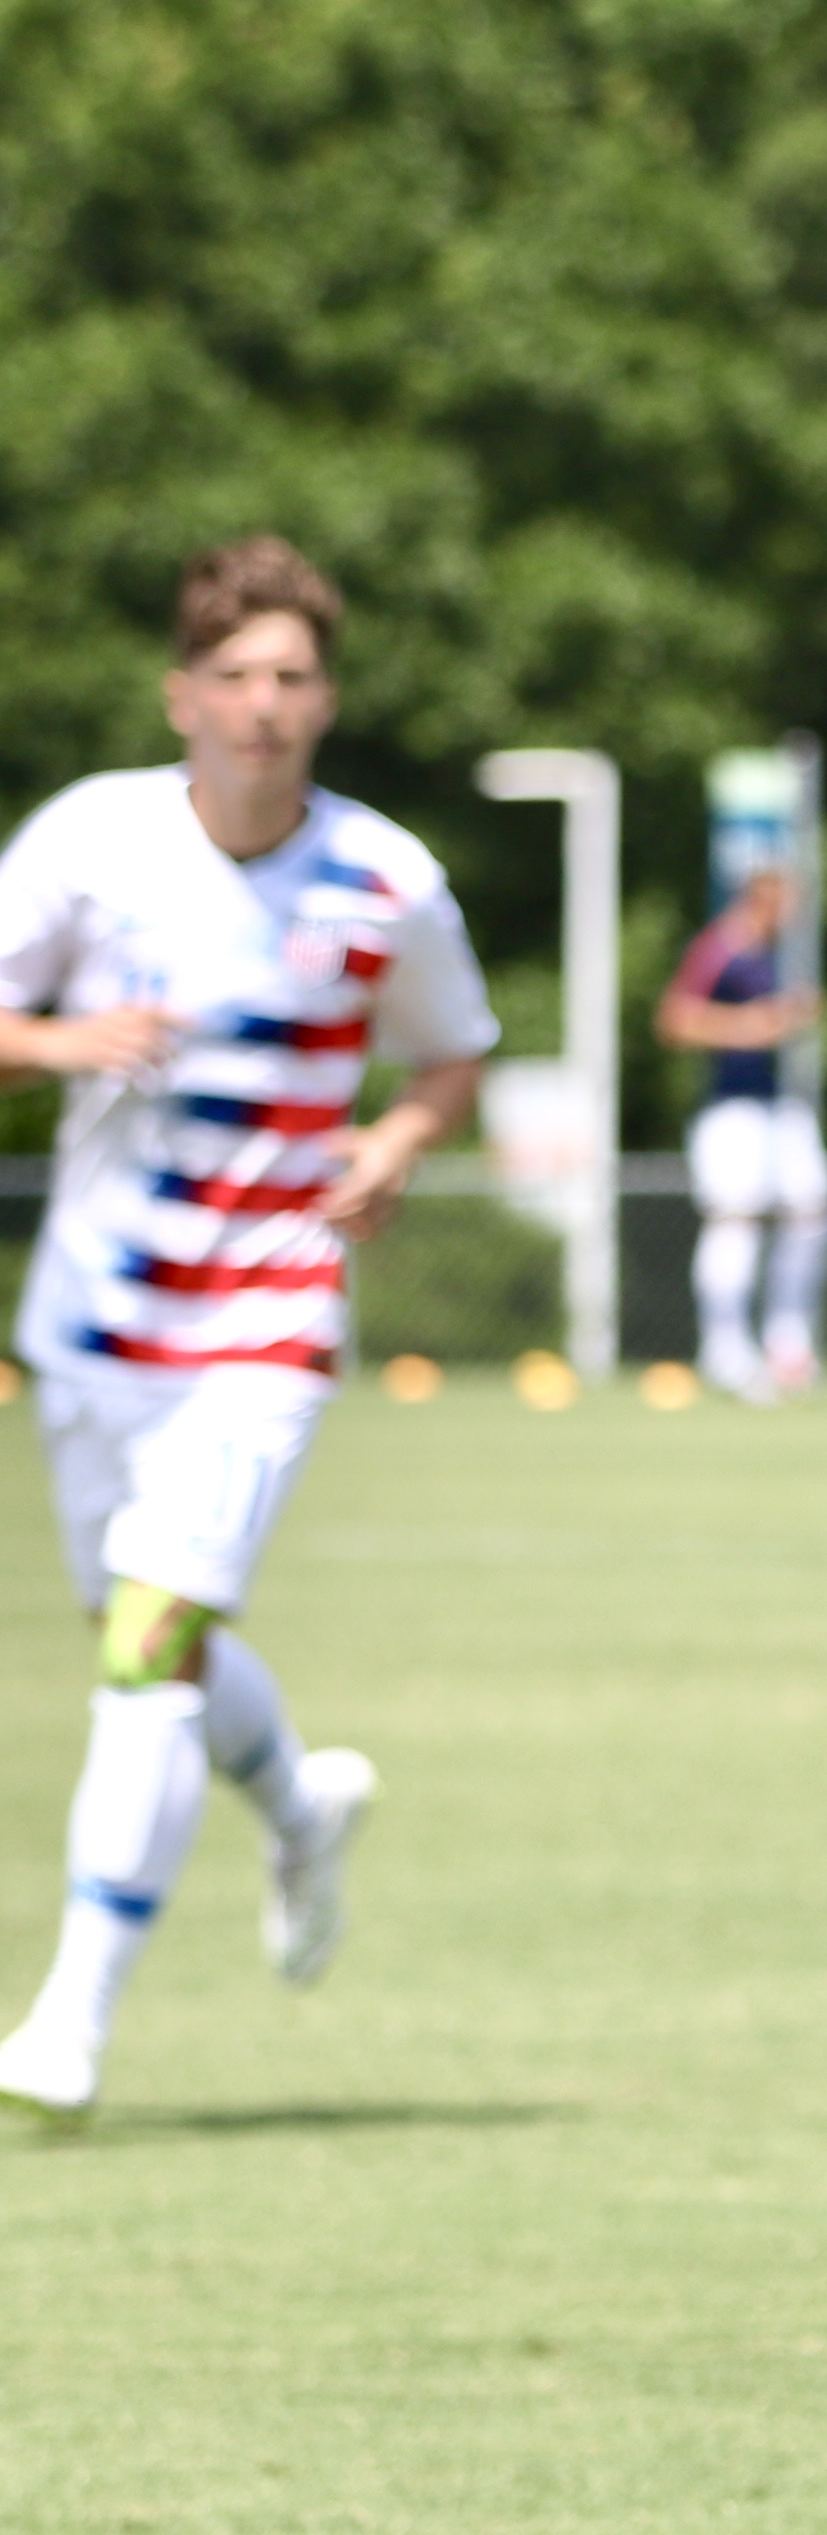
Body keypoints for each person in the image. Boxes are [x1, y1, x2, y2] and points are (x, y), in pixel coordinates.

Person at [0, 538, 495, 2127]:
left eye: (292, 676)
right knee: (145, 1634)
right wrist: (63, 1040)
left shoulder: (386, 878)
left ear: (326, 700)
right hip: (98, 1316)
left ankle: (68, 2021)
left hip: (267, 1313)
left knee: (147, 1648)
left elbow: (450, 1057)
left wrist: (395, 1141)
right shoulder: (90, 840)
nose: (264, 704)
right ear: (182, 696)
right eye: (235, 676)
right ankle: (299, 1801)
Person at [657, 862, 827, 1402]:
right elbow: (675, 1020)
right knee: (735, 1220)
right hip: (732, 1109)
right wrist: (748, 1026)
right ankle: (726, 1353)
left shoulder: (781, 954)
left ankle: (788, 1347)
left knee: (811, 1215)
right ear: (762, 899)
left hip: (781, 1106)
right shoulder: (719, 947)